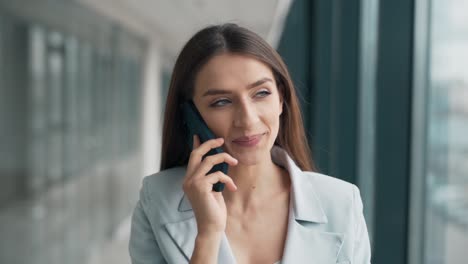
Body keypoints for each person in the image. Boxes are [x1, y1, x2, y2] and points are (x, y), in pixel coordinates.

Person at [129, 23, 371, 264]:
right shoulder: (157, 201)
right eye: (221, 102)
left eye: (261, 93)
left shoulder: (341, 204)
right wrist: (208, 236)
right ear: (192, 115)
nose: (247, 120)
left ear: (281, 100)